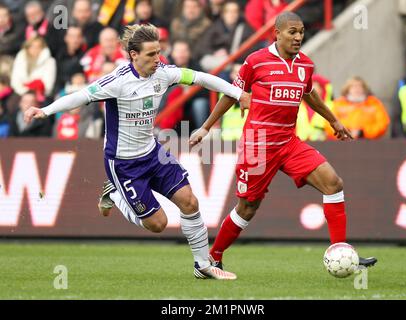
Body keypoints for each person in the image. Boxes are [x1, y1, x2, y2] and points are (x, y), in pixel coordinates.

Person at [24, 24, 250, 280]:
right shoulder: (117, 82)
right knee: (158, 224)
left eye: (159, 52)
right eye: (152, 55)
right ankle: (116, 194)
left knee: (190, 201)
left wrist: (238, 93)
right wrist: (45, 110)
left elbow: (200, 77)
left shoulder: (163, 73)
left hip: (152, 152)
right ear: (134, 55)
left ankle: (202, 265)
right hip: (123, 163)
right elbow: (81, 96)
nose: (158, 59)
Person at [190, 12, 377, 270]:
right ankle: (213, 257)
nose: (298, 37)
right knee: (247, 207)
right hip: (257, 144)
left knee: (333, 184)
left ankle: (341, 251)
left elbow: (309, 94)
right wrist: (205, 127)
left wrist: (333, 120)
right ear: (276, 33)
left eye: (301, 31)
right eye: (292, 32)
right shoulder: (256, 61)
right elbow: (231, 94)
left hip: (288, 142)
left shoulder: (306, 65)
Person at [324, 76, 390, 140]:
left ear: (365, 89)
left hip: (369, 144)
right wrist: (345, 131)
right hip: (342, 143)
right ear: (348, 89)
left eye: (360, 86)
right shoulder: (338, 104)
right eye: (353, 86)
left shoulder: (374, 103)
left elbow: (383, 124)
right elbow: (329, 124)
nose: (357, 89)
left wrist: (363, 132)